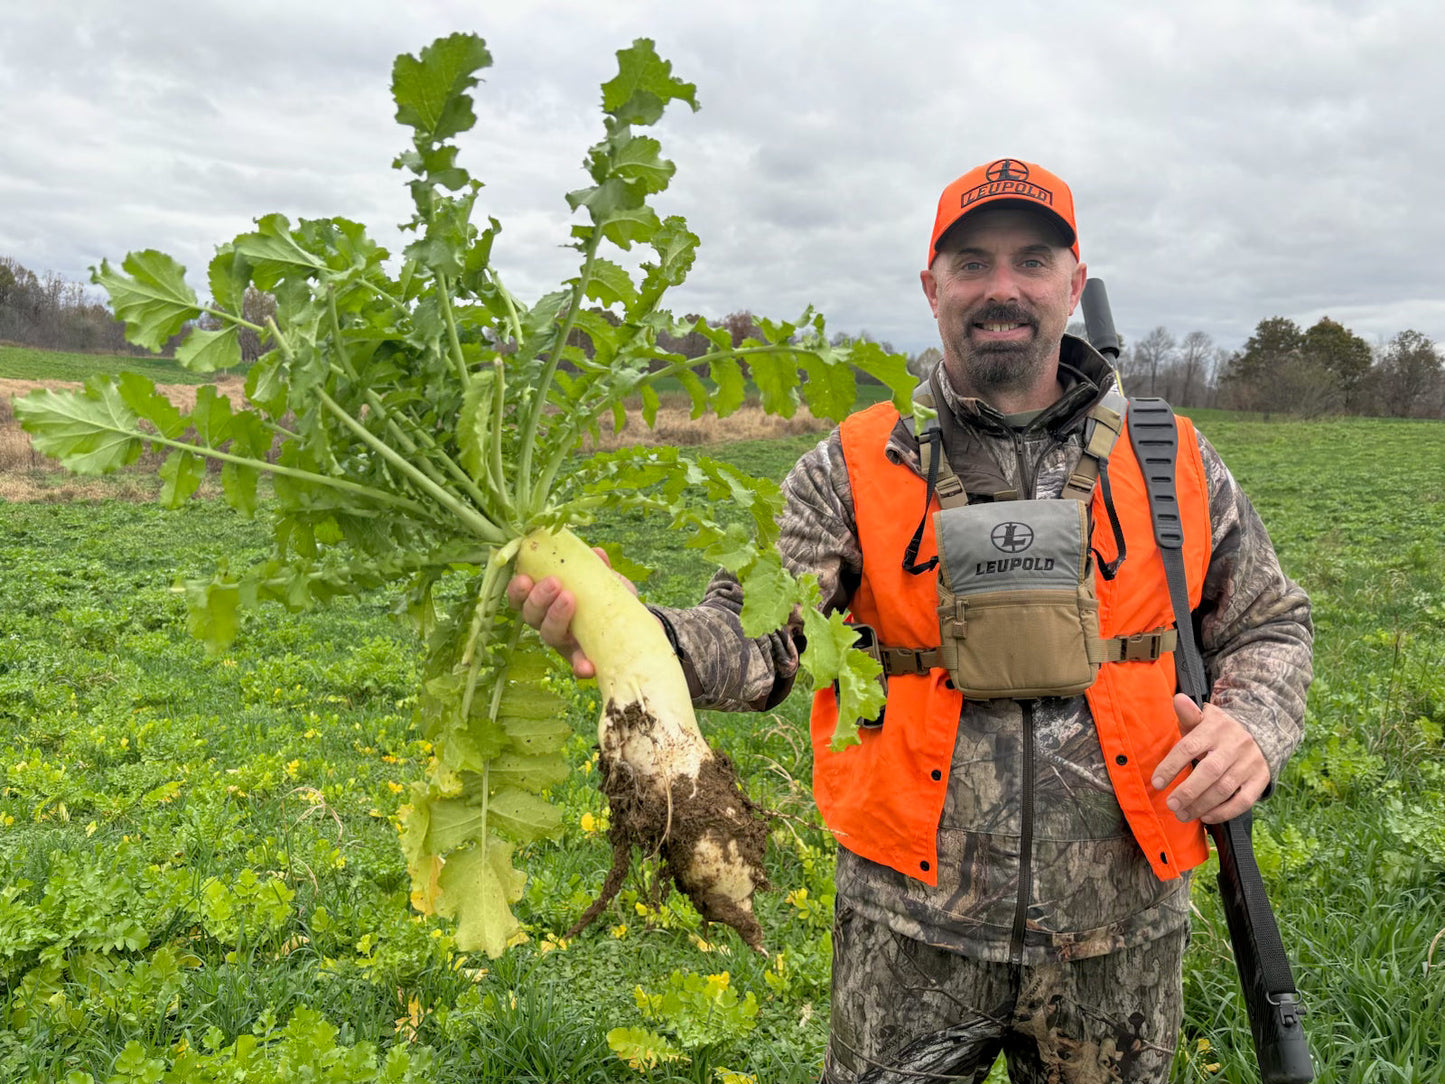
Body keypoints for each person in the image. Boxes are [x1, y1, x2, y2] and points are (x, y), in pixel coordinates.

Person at [508, 158, 1313, 1083]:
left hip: (1121, 932)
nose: (1001, 287)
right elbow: (763, 643)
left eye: (1032, 260)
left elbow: (1269, 624)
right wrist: (628, 632)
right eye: (971, 262)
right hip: (907, 932)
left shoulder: (1169, 455)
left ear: (1073, 282)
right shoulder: (849, 463)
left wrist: (1253, 724)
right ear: (930, 288)